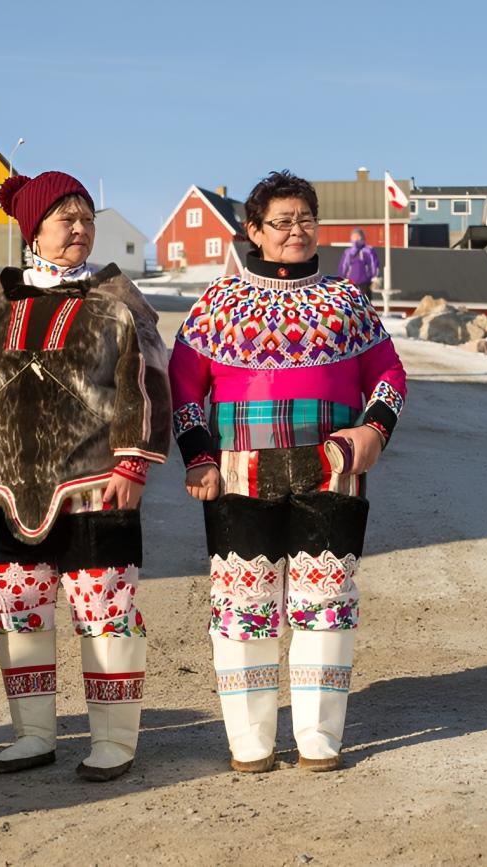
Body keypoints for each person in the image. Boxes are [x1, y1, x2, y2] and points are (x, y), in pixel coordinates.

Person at [0, 171, 171, 781]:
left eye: (87, 218)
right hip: (4, 491)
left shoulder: (116, 300)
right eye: (66, 219)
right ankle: (34, 733)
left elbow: (149, 381)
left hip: (96, 485)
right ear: (32, 230)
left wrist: (134, 463)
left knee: (106, 610)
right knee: (19, 610)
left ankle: (114, 739)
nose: (81, 229)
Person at [169, 171, 407, 773]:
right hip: (237, 470)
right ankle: (250, 743)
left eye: (305, 218)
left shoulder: (349, 302)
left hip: (332, 471)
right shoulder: (215, 305)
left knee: (326, 603)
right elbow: (184, 385)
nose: (296, 230)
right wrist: (197, 455)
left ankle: (318, 741)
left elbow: (391, 375)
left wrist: (374, 430)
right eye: (282, 221)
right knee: (243, 607)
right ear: (254, 231)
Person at [337, 228, 380, 297]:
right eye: (354, 237)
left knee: (365, 304)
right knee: (352, 303)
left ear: (362, 237)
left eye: (358, 237)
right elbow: (343, 267)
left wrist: (375, 278)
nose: (356, 239)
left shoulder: (368, 250)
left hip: (365, 283)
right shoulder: (348, 252)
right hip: (350, 283)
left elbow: (374, 265)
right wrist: (341, 280)